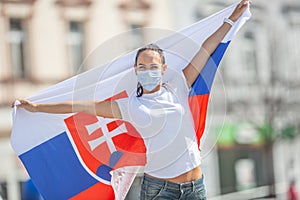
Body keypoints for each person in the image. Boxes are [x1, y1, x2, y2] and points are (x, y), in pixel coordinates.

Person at [12, 1, 251, 199]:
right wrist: (37, 108)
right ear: (136, 71)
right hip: (160, 190)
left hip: (195, 187)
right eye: (142, 67)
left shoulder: (178, 85)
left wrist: (231, 20)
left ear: (164, 69)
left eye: (153, 66)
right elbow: (79, 105)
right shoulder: (130, 106)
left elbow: (205, 50)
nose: (148, 71)